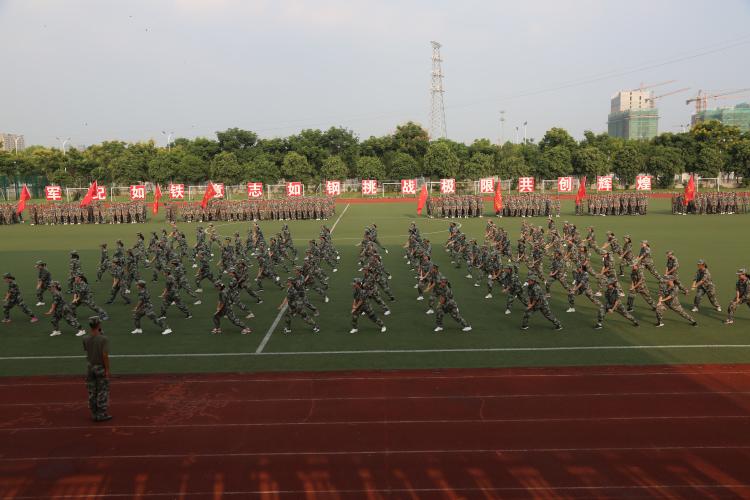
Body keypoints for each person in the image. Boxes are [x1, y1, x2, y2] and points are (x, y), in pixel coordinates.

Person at [83, 316, 112, 422]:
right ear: (99, 325)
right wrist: (107, 369)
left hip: (90, 367)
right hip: (100, 367)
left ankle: (94, 413)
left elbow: (86, 350)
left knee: (92, 391)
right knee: (102, 391)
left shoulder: (85, 338)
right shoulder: (103, 339)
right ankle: (101, 413)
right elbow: (105, 355)